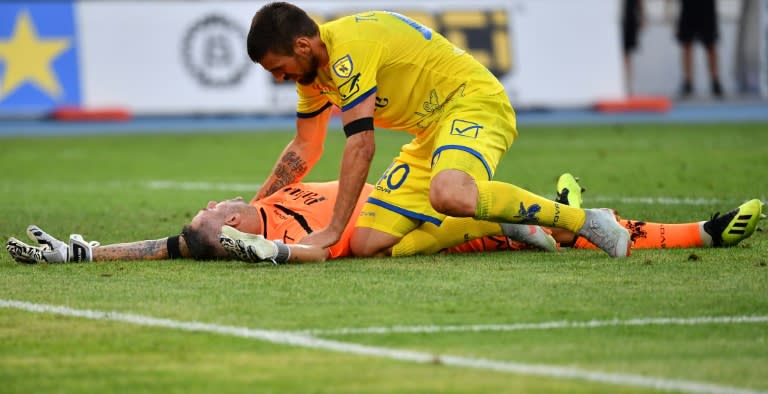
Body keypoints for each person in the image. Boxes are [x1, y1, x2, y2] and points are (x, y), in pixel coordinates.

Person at [245, 3, 632, 259]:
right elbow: (305, 146)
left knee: (448, 193)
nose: (280, 79)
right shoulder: (311, 78)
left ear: (301, 45)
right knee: (367, 245)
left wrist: (332, 230)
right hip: (430, 131)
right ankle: (502, 222)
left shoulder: (351, 49)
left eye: (279, 68)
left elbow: (361, 144)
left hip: (473, 101)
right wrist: (256, 206)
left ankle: (587, 221)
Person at [7, 174, 763, 265]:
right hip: (410, 228)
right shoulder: (279, 234)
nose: (205, 205)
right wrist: (255, 248)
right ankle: (700, 231)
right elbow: (178, 245)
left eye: (203, 209)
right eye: (206, 213)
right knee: (537, 226)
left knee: (498, 199)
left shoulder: (279, 193)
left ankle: (559, 203)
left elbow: (156, 247)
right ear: (226, 225)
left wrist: (84, 254)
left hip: (409, 191)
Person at [676, 0, 723, 98]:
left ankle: (715, 81)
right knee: (686, 44)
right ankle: (688, 82)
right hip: (688, 6)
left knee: (710, 44)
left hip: (706, 6)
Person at [622, 0, 643, 96]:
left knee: (627, 53)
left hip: (629, 16)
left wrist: (642, 15)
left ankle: (627, 85)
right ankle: (625, 84)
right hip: (621, 16)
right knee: (625, 54)